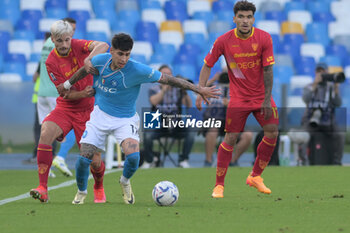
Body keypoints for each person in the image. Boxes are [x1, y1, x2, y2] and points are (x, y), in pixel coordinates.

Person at [57, 33, 220, 204]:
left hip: (125, 119)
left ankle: (125, 182)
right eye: (120, 54)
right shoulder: (99, 61)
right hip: (99, 116)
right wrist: (67, 85)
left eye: (127, 54)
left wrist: (198, 89)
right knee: (84, 159)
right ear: (112, 51)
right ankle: (81, 193)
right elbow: (84, 70)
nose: (124, 59)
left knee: (134, 158)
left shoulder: (137, 69)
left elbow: (169, 79)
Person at [196, 0, 279, 198]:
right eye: (241, 17)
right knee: (231, 137)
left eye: (248, 17)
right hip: (239, 97)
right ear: (234, 18)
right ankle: (219, 185)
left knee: (273, 132)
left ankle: (255, 176)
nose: (244, 20)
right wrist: (201, 90)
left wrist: (267, 99)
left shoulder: (264, 38)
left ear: (253, 19)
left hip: (261, 97)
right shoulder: (223, 40)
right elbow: (208, 65)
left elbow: (268, 69)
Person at [29, 20, 109, 203]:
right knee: (45, 133)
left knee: (94, 160)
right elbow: (64, 93)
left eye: (67, 40)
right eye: (59, 41)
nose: (64, 45)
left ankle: (98, 186)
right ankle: (43, 188)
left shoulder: (78, 45)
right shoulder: (50, 61)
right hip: (66, 107)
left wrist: (88, 59)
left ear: (70, 38)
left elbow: (104, 45)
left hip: (88, 111)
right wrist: (82, 92)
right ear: (53, 40)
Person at [36, 18, 78, 177]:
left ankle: (46, 166)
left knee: (46, 131)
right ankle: (60, 157)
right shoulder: (63, 47)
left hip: (42, 92)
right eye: (71, 29)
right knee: (71, 125)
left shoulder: (47, 42)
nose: (72, 33)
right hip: (56, 93)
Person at [142, 65, 195, 169]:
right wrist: (164, 90)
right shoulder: (154, 88)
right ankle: (149, 160)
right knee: (147, 134)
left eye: (169, 74)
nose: (167, 76)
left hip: (175, 123)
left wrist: (184, 91)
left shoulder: (178, 89)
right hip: (159, 123)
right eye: (164, 74)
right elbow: (153, 102)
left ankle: (183, 160)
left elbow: (188, 105)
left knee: (191, 131)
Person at [202, 71, 253, 167]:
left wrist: (231, 103)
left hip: (233, 122)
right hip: (215, 120)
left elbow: (246, 105)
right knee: (212, 130)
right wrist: (214, 79)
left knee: (248, 135)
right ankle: (208, 161)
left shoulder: (238, 90)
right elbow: (199, 89)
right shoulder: (213, 88)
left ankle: (232, 161)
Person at [302, 62, 344, 165]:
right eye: (318, 71)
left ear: (327, 73)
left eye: (323, 71)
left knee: (340, 135)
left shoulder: (331, 87)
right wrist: (315, 84)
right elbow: (306, 99)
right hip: (311, 121)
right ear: (315, 72)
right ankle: (303, 161)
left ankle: (337, 161)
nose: (320, 74)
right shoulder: (309, 86)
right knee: (303, 135)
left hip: (327, 121)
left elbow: (338, 103)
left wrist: (336, 88)